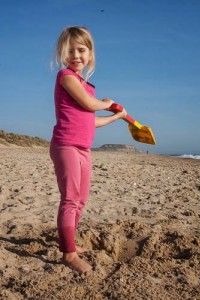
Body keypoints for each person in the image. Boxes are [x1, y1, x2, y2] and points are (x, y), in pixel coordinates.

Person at [50, 26, 127, 273]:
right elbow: (89, 104)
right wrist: (108, 104)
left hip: (84, 148)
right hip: (66, 145)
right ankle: (69, 255)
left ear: (90, 54)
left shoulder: (87, 85)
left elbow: (89, 119)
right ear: (62, 54)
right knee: (70, 199)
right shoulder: (67, 77)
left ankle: (70, 241)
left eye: (81, 50)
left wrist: (116, 117)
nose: (75, 55)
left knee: (81, 199)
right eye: (69, 50)